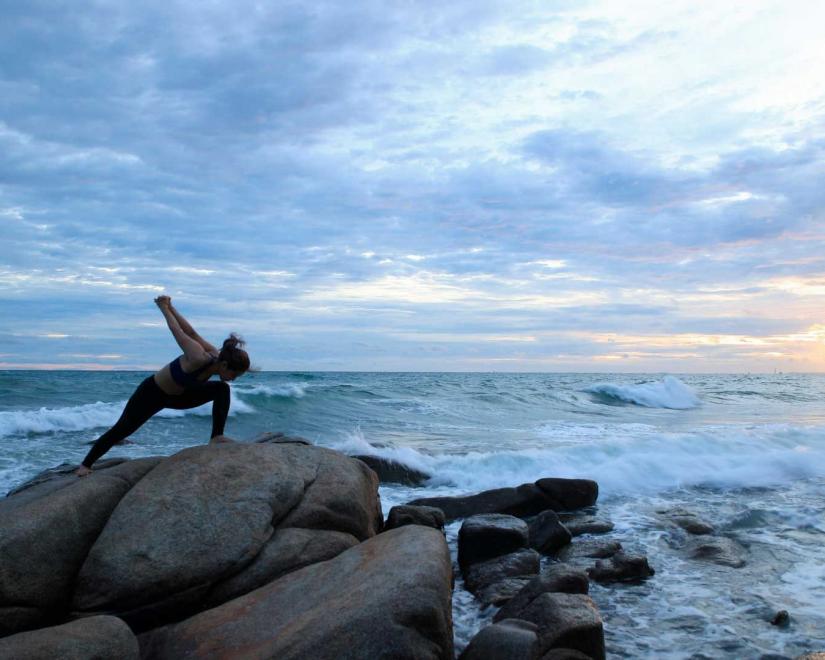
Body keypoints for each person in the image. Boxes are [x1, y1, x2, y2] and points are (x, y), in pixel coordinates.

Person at [75, 296, 250, 476]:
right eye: (234, 374)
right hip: (151, 394)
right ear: (224, 365)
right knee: (121, 430)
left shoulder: (216, 359)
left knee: (222, 389)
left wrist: (172, 307)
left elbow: (193, 333)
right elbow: (181, 332)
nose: (233, 379)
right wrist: (164, 308)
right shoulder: (198, 356)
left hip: (179, 397)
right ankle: (85, 465)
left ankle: (216, 437)